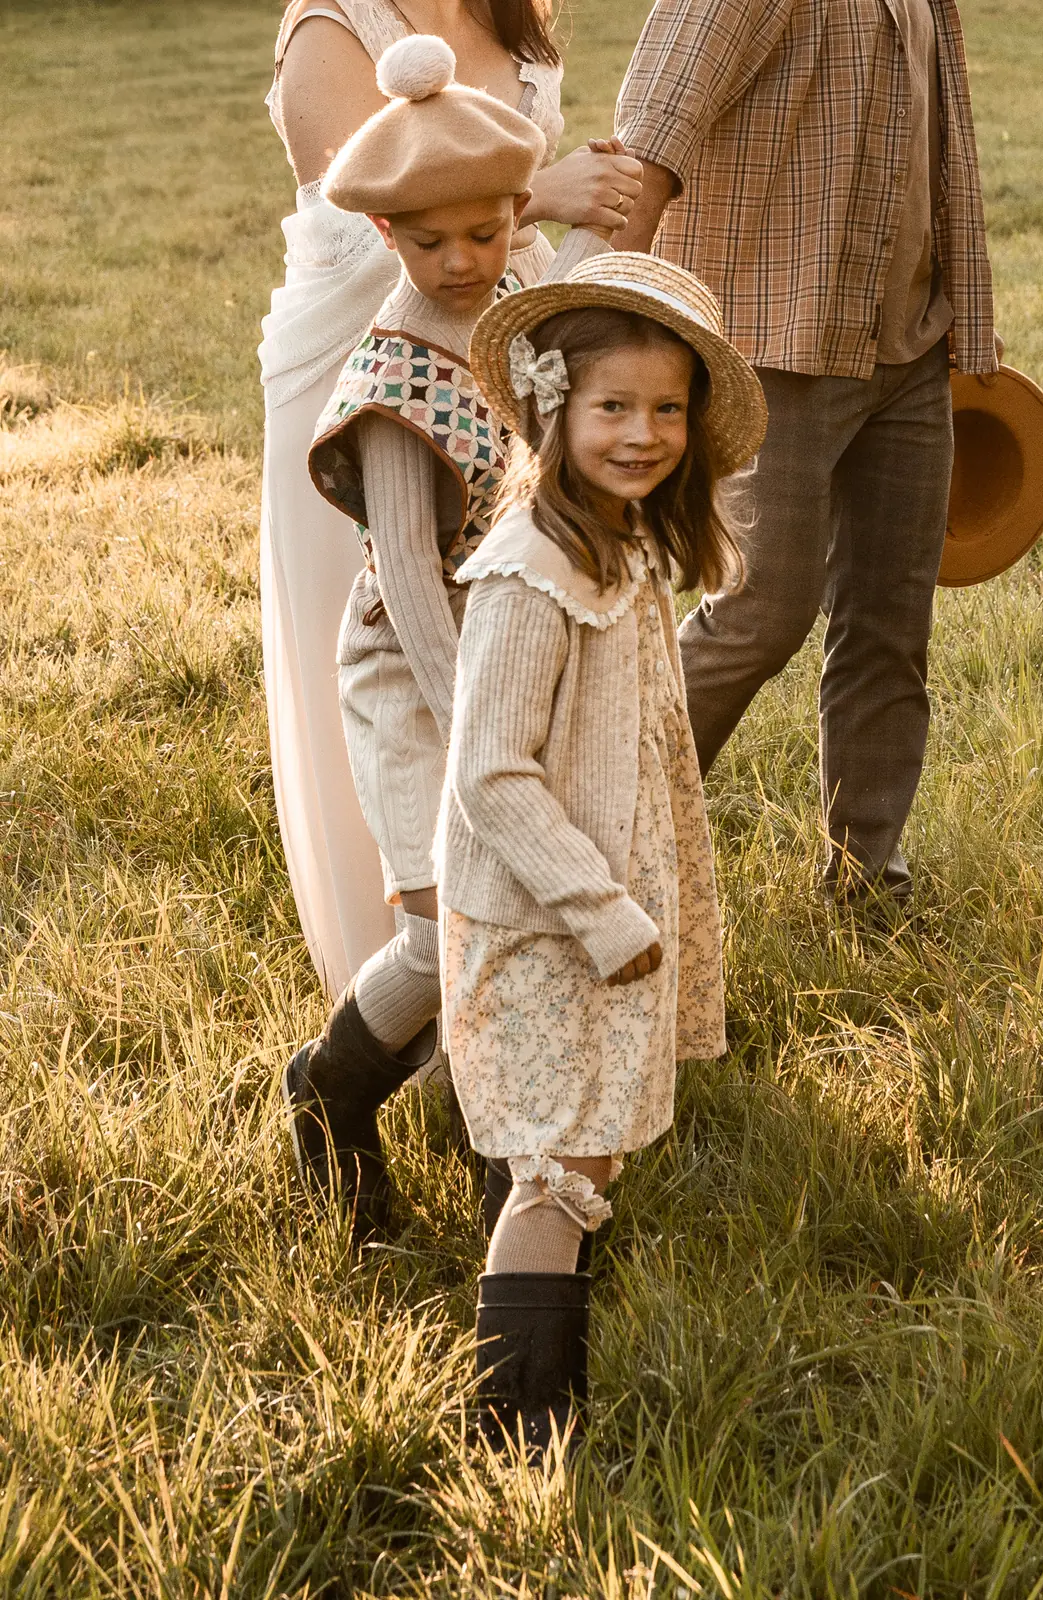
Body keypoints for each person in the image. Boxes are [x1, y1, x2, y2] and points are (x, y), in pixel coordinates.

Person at [282, 36, 626, 1241]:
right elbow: (414, 601)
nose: (467, 261)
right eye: (433, 244)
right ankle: (328, 1089)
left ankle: (512, 1172)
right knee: (447, 923)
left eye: (488, 232)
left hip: (512, 653)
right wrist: (484, 743)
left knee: (522, 915)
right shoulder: (391, 380)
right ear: (387, 239)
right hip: (421, 674)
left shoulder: (515, 303)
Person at [437, 250, 767, 1449]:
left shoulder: (614, 540)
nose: (642, 433)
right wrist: (605, 910)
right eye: (612, 407)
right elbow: (489, 774)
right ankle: (519, 1430)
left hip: (600, 900)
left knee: (588, 1134)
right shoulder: (532, 573)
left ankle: (546, 1302)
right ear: (552, 409)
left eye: (666, 408)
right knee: (563, 1164)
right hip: (551, 914)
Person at [613, 0, 999, 904]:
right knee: (759, 611)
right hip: (775, 342)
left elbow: (931, 151)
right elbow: (656, 122)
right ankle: (603, 842)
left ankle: (867, 878)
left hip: (905, 344)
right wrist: (613, 309)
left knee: (889, 625)